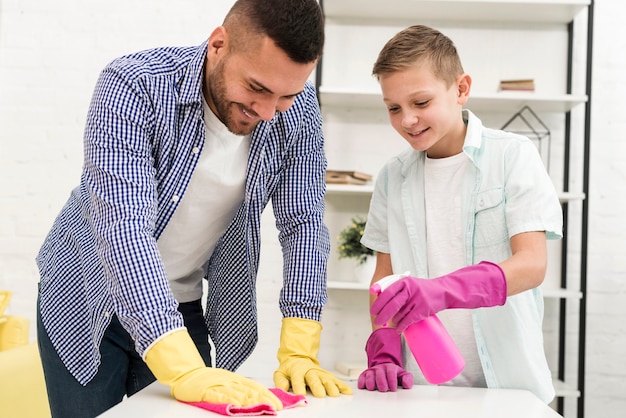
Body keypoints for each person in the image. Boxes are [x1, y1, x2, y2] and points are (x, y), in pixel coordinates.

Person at [35, 1, 352, 416]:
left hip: (181, 302)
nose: (268, 112)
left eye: (286, 95)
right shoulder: (132, 86)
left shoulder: (299, 110)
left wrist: (300, 343)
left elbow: (304, 222)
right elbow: (123, 226)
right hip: (87, 298)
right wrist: (182, 368)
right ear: (218, 44)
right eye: (256, 88)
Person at [356, 25, 562, 404]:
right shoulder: (392, 176)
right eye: (393, 108)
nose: (407, 120)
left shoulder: (513, 156)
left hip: (508, 388)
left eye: (421, 102)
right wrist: (383, 348)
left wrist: (441, 291)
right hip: (420, 389)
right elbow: (383, 279)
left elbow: (532, 265)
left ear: (461, 89)